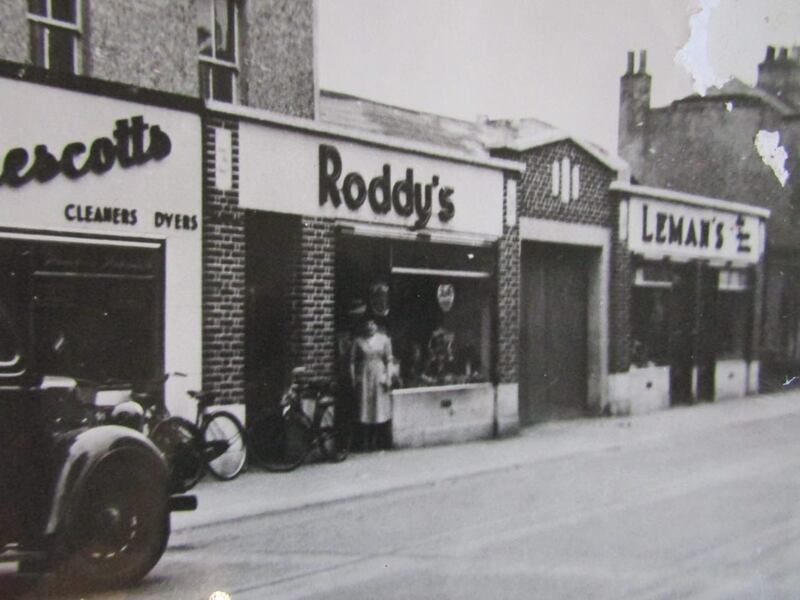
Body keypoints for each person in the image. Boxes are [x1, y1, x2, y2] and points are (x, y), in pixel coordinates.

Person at [350, 317, 393, 450]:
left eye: (372, 324)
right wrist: (353, 378)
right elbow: (352, 361)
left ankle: (379, 442)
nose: (370, 326)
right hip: (364, 376)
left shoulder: (384, 340)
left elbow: (389, 360)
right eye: (367, 324)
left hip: (379, 375)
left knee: (379, 407)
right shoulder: (358, 341)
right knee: (364, 407)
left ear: (376, 326)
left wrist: (388, 377)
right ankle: (364, 442)